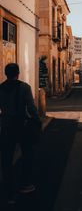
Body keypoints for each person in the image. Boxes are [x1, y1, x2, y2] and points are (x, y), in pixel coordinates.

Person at [0, 63, 42, 202]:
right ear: (18, 73)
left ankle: (8, 189)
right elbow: (31, 107)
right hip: (21, 126)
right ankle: (24, 184)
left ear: (6, 74)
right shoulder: (24, 87)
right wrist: (37, 120)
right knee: (27, 154)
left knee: (6, 158)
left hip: (6, 126)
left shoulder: (0, 88)